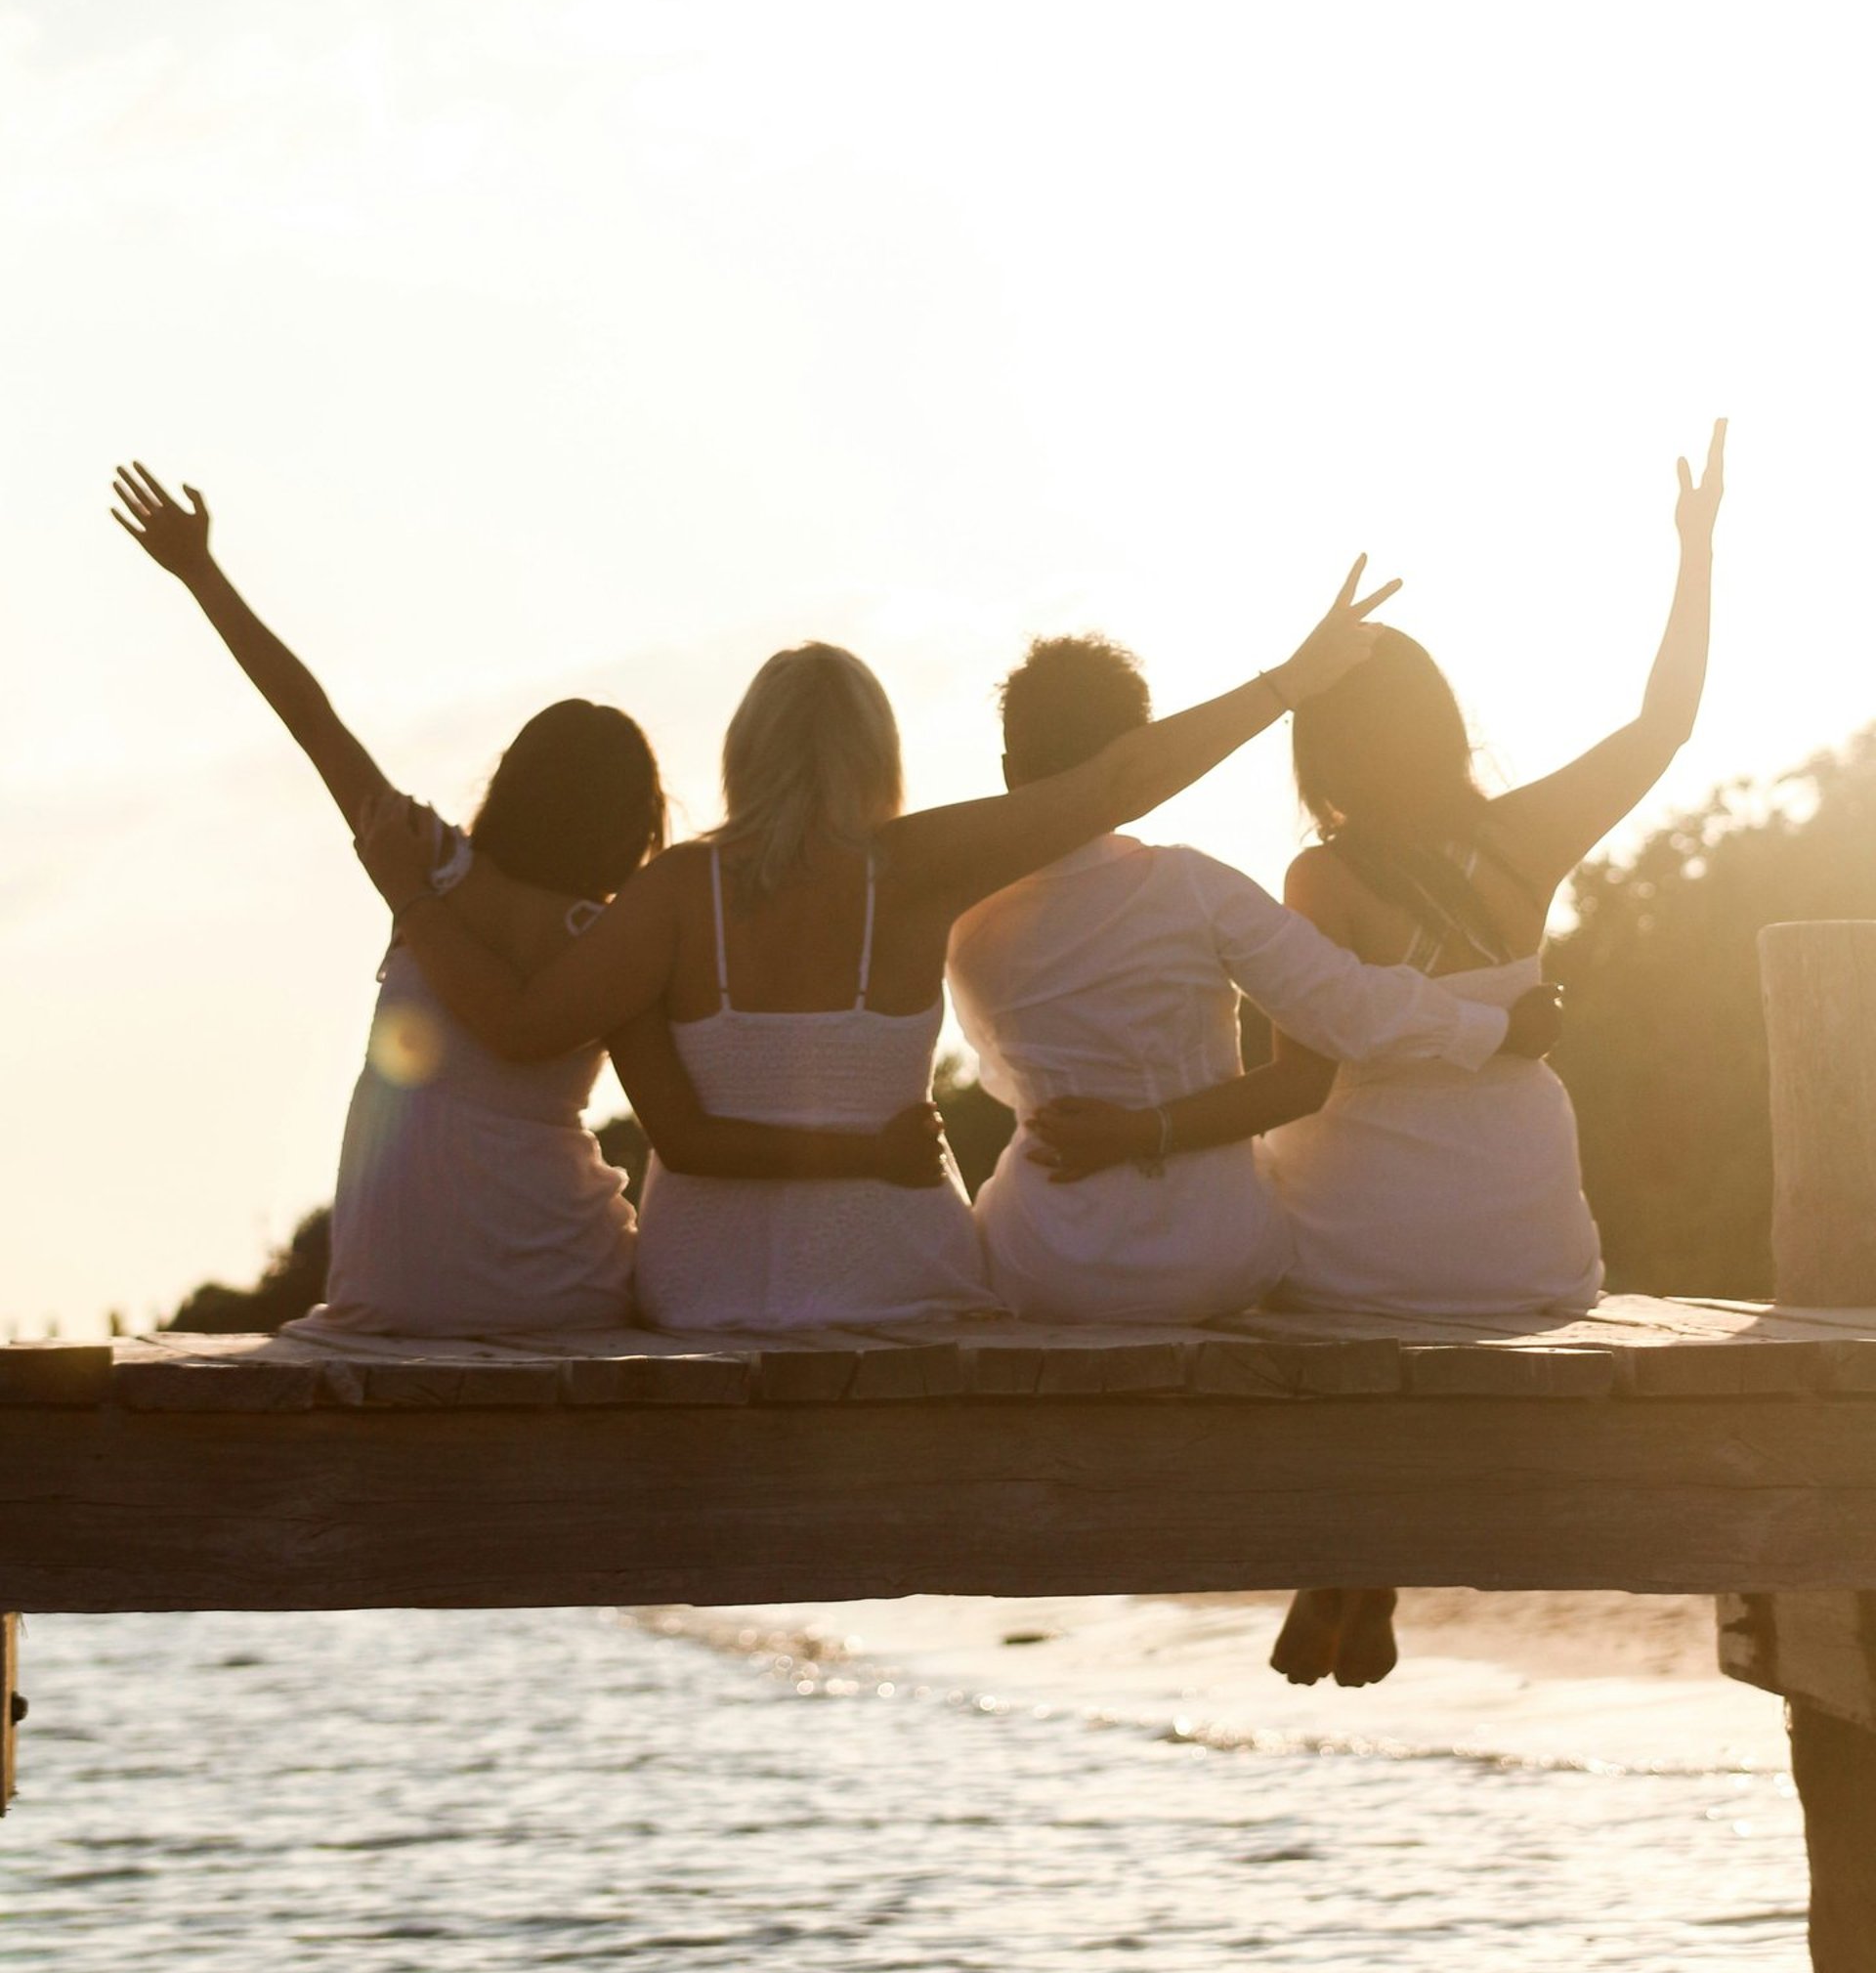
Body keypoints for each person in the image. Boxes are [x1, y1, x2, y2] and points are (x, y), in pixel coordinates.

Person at [1026, 423, 1727, 1684]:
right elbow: (1666, 720)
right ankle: (1357, 1573)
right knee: (1405, 1264)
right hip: (1532, 1255)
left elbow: (1300, 1080)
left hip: (1361, 1266)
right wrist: (1697, 548)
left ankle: (1345, 1560)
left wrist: (1131, 1135)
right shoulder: (1527, 841)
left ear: (1326, 754)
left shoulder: (1322, 877)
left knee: (1283, 1262)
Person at [352, 561, 1411, 1332]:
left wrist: (420, 900)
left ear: (743, 753)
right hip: (899, 1283)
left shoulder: (675, 890)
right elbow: (1112, 787)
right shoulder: (915, 868)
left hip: (701, 1295)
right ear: (877, 754)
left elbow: (524, 1025)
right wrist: (1288, 684)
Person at [110, 464, 944, 1338]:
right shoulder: (619, 936)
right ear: (633, 825)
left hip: (388, 1298)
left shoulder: (427, 868)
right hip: (563, 1284)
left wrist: (202, 574)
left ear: (512, 781)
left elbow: (311, 718)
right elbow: (689, 1126)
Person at [947, 640, 1562, 1325]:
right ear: (1149, 755)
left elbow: (1000, 1079)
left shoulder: (965, 916)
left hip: (1045, 1262)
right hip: (1216, 1261)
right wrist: (1499, 1026)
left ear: (1009, 771)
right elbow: (1348, 1008)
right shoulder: (1196, 887)